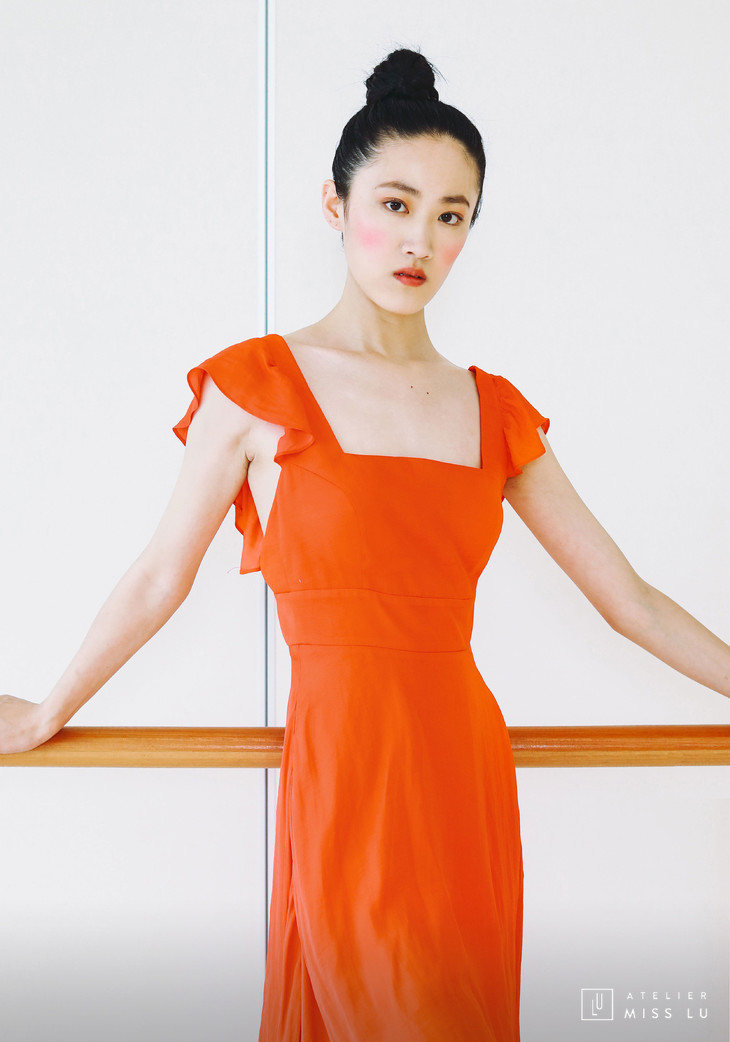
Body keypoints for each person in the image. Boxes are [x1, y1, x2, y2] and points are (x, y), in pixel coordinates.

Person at [1, 46, 729, 1042]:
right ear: (334, 205)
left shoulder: (493, 410)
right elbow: (160, 576)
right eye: (395, 204)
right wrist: (49, 709)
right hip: (344, 772)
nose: (420, 239)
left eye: (451, 215)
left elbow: (630, 601)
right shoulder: (255, 387)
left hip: (461, 774)